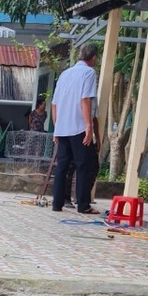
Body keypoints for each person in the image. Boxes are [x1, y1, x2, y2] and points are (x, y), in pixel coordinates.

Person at [51, 43, 99, 214]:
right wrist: (88, 126)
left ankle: (57, 204)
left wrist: (57, 128)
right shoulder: (89, 73)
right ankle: (83, 205)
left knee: (62, 167)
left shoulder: (64, 74)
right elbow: (85, 99)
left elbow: (54, 104)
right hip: (78, 127)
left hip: (62, 128)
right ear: (93, 58)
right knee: (83, 166)